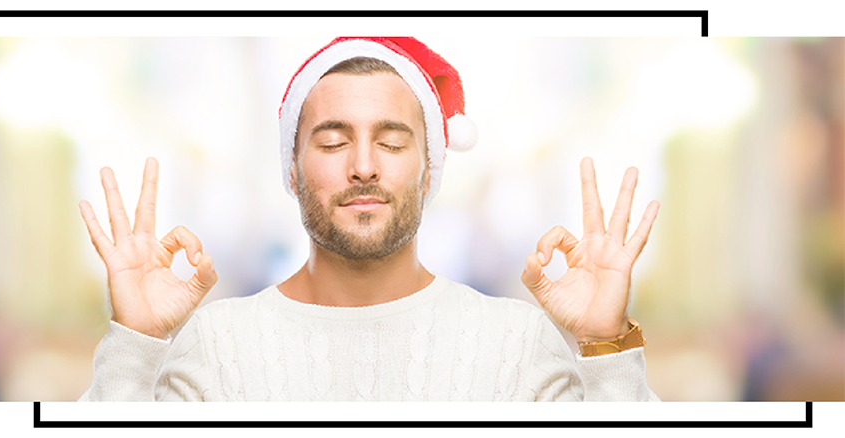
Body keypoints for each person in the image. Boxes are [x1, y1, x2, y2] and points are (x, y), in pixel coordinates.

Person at [78, 37, 661, 401]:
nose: (363, 167)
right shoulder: (211, 343)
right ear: (292, 170)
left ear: (431, 170)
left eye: (391, 141)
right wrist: (137, 342)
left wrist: (603, 343)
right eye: (333, 143)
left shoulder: (520, 341)